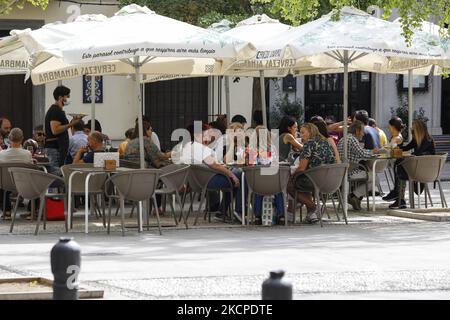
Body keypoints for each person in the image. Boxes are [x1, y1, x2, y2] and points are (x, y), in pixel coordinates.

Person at [179, 123, 242, 222]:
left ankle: (223, 212)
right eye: (207, 134)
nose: (209, 137)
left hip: (195, 181)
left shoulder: (187, 146)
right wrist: (232, 175)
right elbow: (214, 165)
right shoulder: (198, 147)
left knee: (235, 175)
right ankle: (238, 211)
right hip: (208, 180)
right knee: (239, 174)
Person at [288, 123, 336, 224]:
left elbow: (301, 168)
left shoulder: (309, 144)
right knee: (301, 181)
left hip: (315, 181)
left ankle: (313, 207)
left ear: (310, 132)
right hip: (330, 181)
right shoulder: (326, 142)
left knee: (290, 184)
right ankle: (311, 215)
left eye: (303, 132)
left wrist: (291, 176)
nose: (301, 135)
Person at [385, 119, 436, 209]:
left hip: (424, 171)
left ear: (418, 129)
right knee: (399, 164)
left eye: (413, 129)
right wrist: (397, 147)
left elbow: (419, 154)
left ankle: (399, 197)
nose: (411, 131)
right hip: (420, 169)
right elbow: (406, 148)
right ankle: (398, 196)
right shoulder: (417, 139)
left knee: (400, 165)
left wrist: (410, 154)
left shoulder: (427, 141)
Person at [337, 120, 378, 210]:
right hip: (350, 171)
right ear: (357, 131)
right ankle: (353, 196)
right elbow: (362, 154)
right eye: (362, 131)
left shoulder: (344, 138)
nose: (363, 134)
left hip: (341, 170)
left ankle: (354, 197)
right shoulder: (352, 139)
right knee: (374, 178)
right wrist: (373, 152)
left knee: (369, 176)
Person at [44, 85, 81, 175]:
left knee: (58, 173)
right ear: (60, 97)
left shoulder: (57, 110)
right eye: (67, 96)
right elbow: (55, 130)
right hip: (55, 148)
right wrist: (72, 124)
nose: (68, 99)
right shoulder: (55, 111)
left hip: (58, 148)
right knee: (56, 174)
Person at [0, 128, 33, 220]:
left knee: (2, 185)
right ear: (22, 139)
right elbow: (31, 167)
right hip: (24, 184)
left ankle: (6, 212)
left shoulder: (2, 153)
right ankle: (31, 211)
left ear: (9, 138)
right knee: (36, 181)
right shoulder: (27, 154)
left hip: (6, 185)